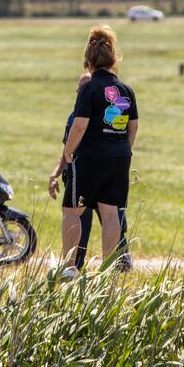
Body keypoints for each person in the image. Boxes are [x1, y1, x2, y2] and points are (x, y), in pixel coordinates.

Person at [61, 25, 138, 274]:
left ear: (88, 60)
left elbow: (80, 125)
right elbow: (133, 126)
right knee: (110, 212)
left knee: (72, 210)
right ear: (113, 58)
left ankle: (69, 267)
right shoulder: (126, 90)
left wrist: (68, 151)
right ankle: (108, 268)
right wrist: (123, 149)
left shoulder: (89, 88)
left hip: (91, 157)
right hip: (119, 156)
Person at [48, 71, 131, 271]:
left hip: (88, 173)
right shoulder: (74, 117)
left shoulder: (89, 116)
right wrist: (56, 173)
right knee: (89, 222)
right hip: (85, 173)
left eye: (83, 87)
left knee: (112, 217)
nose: (79, 91)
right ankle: (76, 264)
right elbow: (67, 148)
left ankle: (119, 261)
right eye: (79, 87)